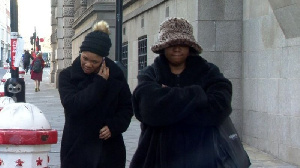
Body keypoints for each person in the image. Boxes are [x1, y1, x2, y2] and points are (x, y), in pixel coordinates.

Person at [130, 17, 245, 168]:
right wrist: (198, 94)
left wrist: (168, 101)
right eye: (171, 44)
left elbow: (219, 107)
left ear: (190, 46)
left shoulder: (209, 72)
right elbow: (148, 110)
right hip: (157, 157)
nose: (177, 48)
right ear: (163, 47)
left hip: (202, 156)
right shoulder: (150, 74)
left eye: (182, 44)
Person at [58, 20, 133, 168]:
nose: (88, 64)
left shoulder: (116, 76)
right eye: (85, 58)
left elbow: (127, 107)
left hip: (109, 150)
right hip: (76, 147)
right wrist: (99, 83)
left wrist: (114, 126)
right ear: (81, 53)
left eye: (95, 61)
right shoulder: (67, 76)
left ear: (103, 60)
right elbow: (73, 105)